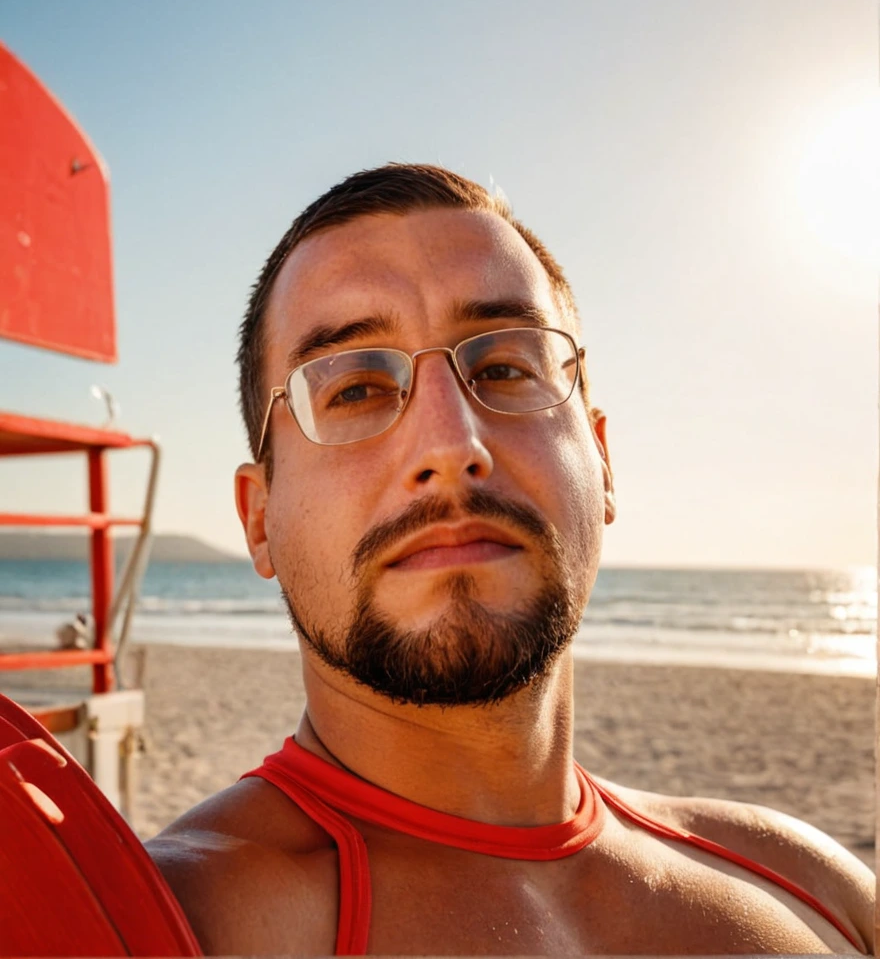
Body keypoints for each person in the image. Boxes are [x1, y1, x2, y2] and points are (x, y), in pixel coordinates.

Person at [147, 164, 874, 956]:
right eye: (354, 387)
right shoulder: (162, 925)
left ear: (601, 463)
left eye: (502, 368)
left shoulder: (817, 890)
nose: (450, 446)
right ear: (259, 520)